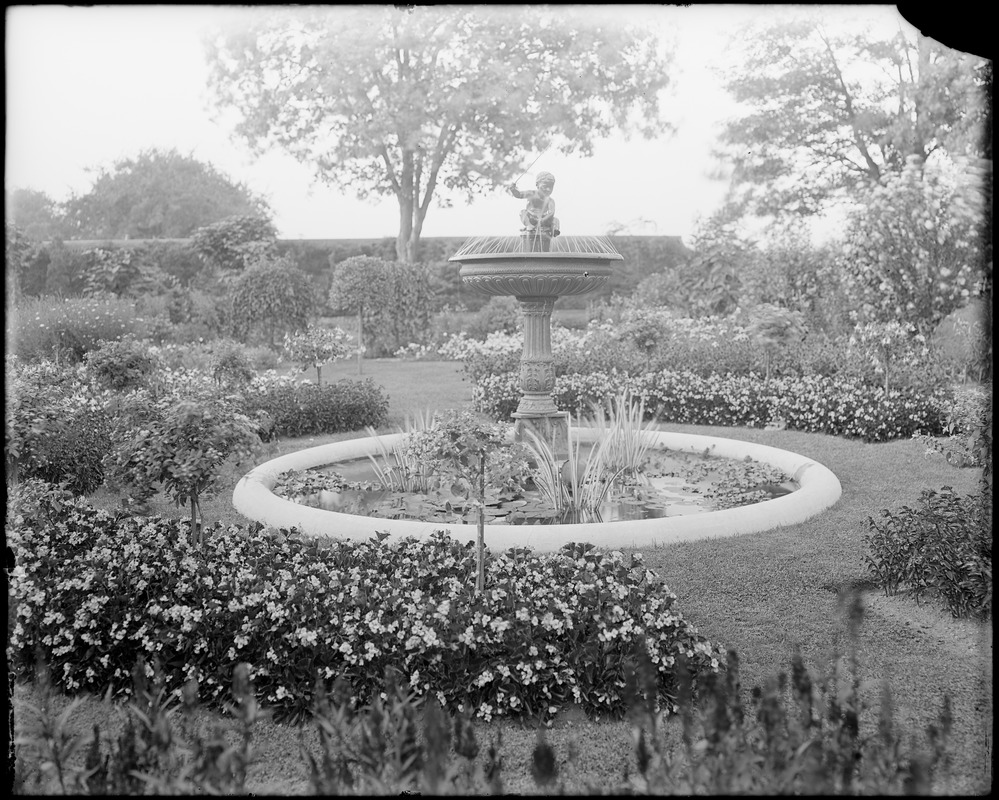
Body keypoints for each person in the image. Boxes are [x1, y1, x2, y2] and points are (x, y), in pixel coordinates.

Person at [509, 171, 560, 236]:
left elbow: (551, 213)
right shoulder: (531, 194)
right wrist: (513, 190)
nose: (548, 189)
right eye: (545, 186)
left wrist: (542, 220)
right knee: (523, 213)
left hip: (544, 218)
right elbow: (519, 195)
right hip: (531, 217)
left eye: (551, 187)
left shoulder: (550, 200)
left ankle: (554, 230)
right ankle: (530, 226)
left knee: (555, 220)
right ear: (537, 185)